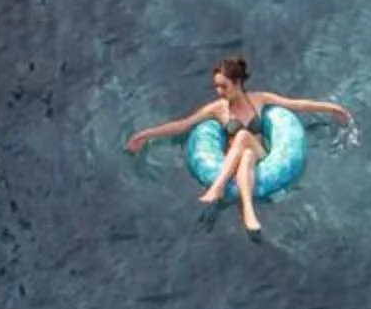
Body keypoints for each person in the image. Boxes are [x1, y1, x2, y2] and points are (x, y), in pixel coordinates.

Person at [122, 57, 352, 233]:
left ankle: (217, 188)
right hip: (238, 159)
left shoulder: (259, 99)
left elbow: (296, 104)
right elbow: (183, 125)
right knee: (245, 153)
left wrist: (332, 108)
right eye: (217, 87)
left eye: (224, 87)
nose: (219, 92)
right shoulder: (218, 109)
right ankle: (249, 214)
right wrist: (145, 135)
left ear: (238, 83)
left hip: (263, 156)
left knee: (243, 139)